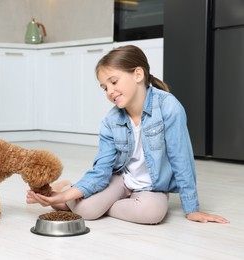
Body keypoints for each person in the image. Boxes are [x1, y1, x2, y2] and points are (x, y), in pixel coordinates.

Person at [27, 45, 229, 224]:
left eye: (114, 82)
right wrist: (60, 197)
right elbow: (101, 170)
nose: (109, 91)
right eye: (104, 87)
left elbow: (181, 159)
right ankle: (71, 191)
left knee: (151, 214)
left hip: (151, 187)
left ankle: (81, 199)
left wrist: (191, 208)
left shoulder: (169, 107)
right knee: (87, 211)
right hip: (121, 179)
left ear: (138, 74)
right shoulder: (110, 121)